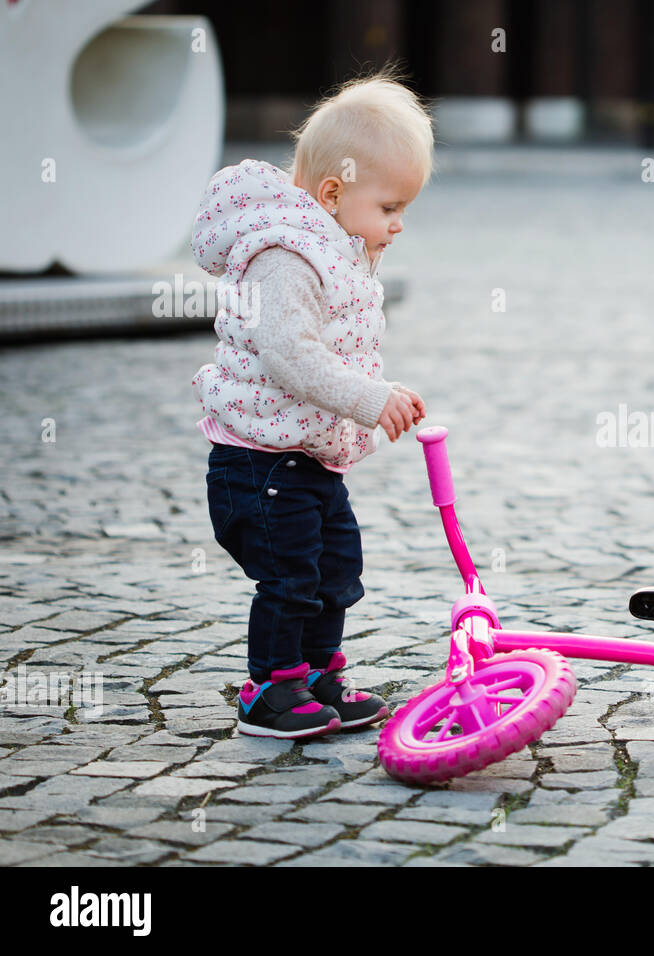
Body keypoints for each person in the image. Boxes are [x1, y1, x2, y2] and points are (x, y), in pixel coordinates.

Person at [191, 67, 432, 738]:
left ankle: (320, 675)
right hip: (259, 465)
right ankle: (271, 689)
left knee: (335, 570)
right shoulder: (287, 257)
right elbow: (289, 354)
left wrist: (378, 392)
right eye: (390, 209)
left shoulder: (334, 249)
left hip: (308, 459)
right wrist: (367, 398)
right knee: (291, 576)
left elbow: (339, 347)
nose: (399, 225)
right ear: (333, 192)